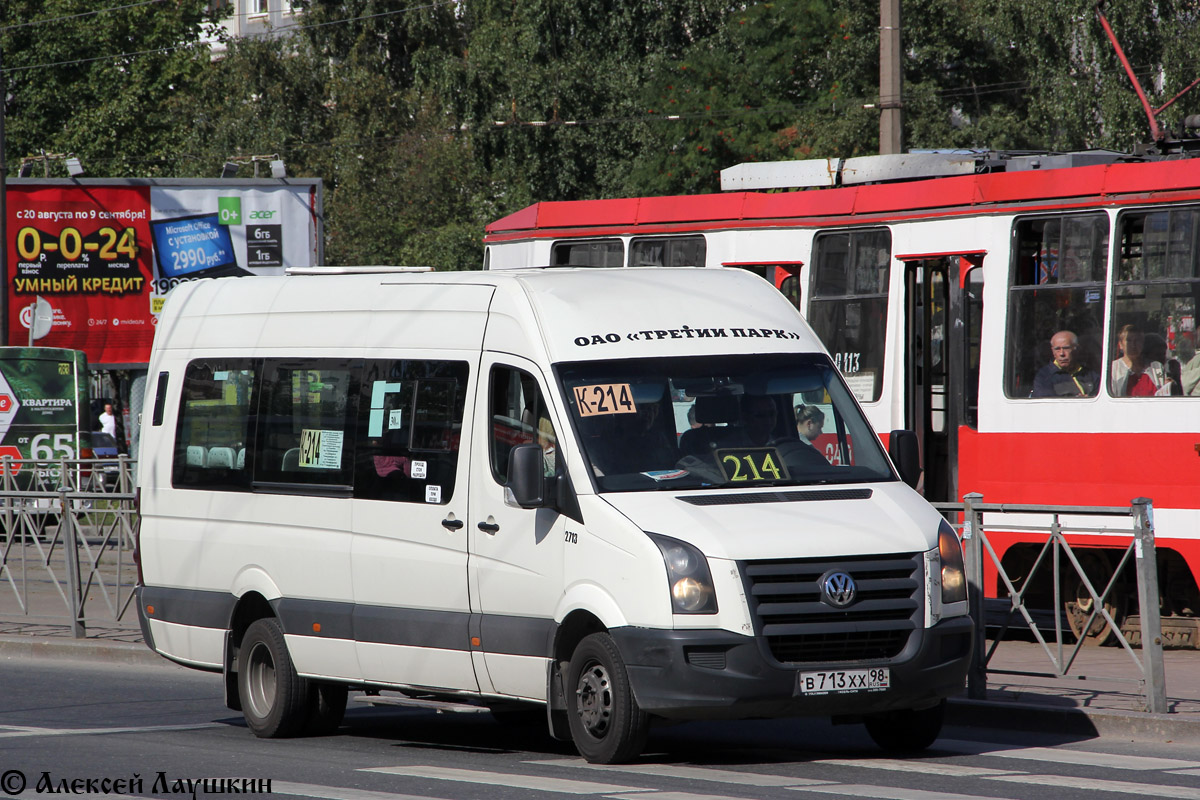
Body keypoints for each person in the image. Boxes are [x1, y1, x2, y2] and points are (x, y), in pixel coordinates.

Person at [1031, 331, 1098, 398]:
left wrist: (1089, 399)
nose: (1062, 354)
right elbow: (1047, 403)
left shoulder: (1090, 374)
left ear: (1077, 349)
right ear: (1053, 352)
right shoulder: (1044, 376)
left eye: (1066, 348)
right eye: (1057, 349)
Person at [1110, 324, 1170, 397]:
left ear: (1143, 343)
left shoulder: (1156, 367)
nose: (1133, 345)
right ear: (1120, 344)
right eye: (1129, 340)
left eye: (1137, 340)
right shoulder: (1113, 369)